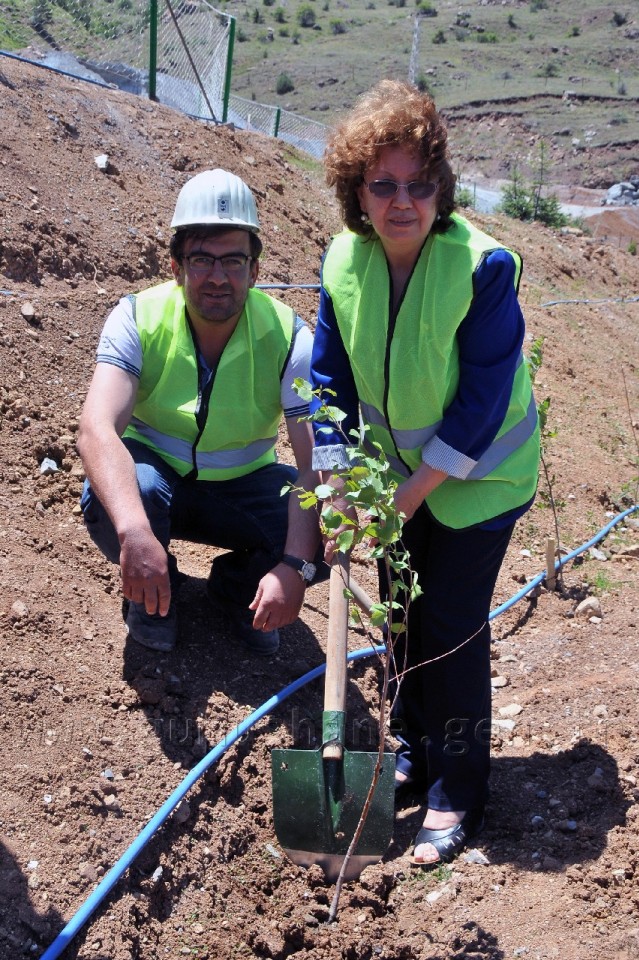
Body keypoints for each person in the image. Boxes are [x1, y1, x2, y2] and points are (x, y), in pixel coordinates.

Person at [310, 80, 540, 867]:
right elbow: (328, 382)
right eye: (382, 185)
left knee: (447, 622)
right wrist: (339, 483)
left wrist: (403, 499)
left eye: (418, 184)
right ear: (357, 192)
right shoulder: (342, 261)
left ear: (441, 189)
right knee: (401, 615)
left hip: (482, 479)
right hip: (394, 482)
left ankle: (459, 786)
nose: (401, 202)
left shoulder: (481, 267)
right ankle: (410, 746)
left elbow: (479, 404)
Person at [78, 168, 322, 657]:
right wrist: (134, 531)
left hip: (240, 488)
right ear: (176, 266)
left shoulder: (289, 337)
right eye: (202, 260)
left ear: (255, 270)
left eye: (233, 261)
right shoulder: (138, 317)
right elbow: (95, 429)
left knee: (317, 527)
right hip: (156, 483)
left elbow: (314, 466)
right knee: (121, 494)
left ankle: (238, 591)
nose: (217, 277)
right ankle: (154, 592)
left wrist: (297, 566)